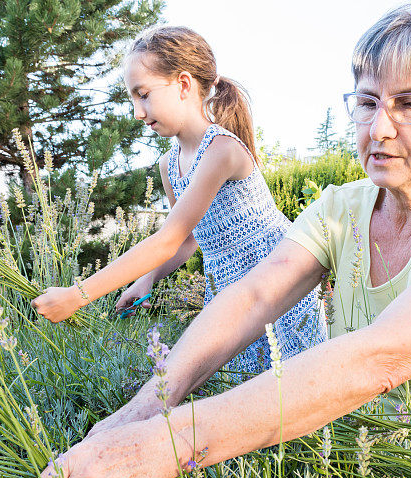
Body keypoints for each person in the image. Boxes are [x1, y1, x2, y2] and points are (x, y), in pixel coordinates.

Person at [33, 7, 411, 478]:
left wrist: (161, 446)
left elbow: (382, 357)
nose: (381, 128)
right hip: (400, 459)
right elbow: (253, 298)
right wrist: (140, 413)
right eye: (367, 103)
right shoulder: (341, 208)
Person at [31, 26, 326, 376]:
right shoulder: (168, 164)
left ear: (184, 85)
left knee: (294, 391)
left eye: (143, 94)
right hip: (229, 294)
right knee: (248, 394)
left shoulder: (221, 150)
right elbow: (186, 240)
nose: (137, 112)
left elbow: (166, 238)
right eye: (132, 99)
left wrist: (76, 295)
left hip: (277, 285)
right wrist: (148, 279)